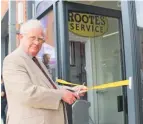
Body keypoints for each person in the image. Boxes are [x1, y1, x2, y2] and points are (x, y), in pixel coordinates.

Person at [2, 19, 87, 124]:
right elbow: (27, 93)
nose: (37, 42)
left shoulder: (36, 60)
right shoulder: (13, 60)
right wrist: (61, 95)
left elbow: (49, 87)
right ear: (20, 37)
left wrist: (72, 90)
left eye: (40, 39)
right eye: (32, 38)